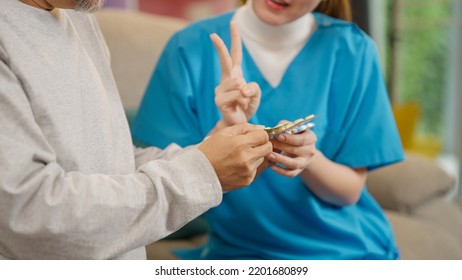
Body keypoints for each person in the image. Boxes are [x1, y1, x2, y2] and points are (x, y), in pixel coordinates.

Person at [0, 0, 273, 260]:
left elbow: (110, 163)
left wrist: (213, 151)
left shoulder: (78, 16)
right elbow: (33, 215)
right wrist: (203, 173)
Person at [132, 0, 404, 259]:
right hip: (237, 252)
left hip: (344, 250)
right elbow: (166, 179)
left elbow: (349, 191)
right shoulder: (187, 48)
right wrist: (225, 128)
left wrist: (309, 159)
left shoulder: (354, 50)